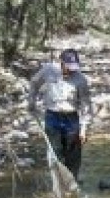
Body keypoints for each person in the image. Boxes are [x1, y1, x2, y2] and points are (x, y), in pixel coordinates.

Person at [28, 48, 93, 180]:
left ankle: (72, 183)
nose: (71, 70)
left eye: (73, 67)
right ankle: (58, 184)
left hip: (71, 119)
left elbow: (86, 105)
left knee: (73, 156)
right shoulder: (48, 70)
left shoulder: (81, 80)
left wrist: (84, 128)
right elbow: (34, 83)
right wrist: (31, 102)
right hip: (52, 117)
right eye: (68, 67)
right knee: (54, 154)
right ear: (61, 63)